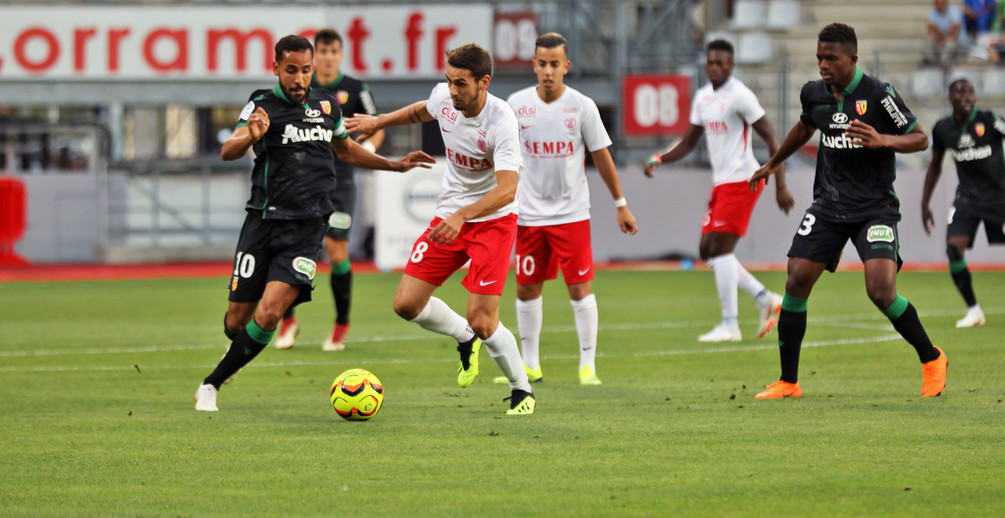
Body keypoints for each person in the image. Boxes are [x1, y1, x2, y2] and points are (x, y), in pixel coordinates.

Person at [194, 35, 434, 411]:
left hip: (307, 228)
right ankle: (235, 349)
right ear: (276, 68)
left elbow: (345, 149)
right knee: (235, 321)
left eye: (305, 71)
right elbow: (229, 149)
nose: (299, 79)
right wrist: (250, 138)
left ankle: (211, 385)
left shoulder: (326, 105)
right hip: (263, 223)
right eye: (291, 70)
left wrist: (393, 164)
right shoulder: (262, 104)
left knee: (271, 312)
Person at [748, 23, 948, 399]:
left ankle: (932, 358)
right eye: (819, 57)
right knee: (796, 279)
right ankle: (789, 382)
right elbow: (805, 127)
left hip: (874, 208)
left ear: (852, 59)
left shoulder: (879, 95)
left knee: (881, 291)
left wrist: (882, 139)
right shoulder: (815, 93)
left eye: (831, 58)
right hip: (828, 204)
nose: (823, 65)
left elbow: (921, 138)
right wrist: (774, 162)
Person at [344, 43, 536, 415]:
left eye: (461, 83)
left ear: (484, 82)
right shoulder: (445, 97)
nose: (452, 90)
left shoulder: (502, 122)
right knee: (406, 304)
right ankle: (463, 337)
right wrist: (378, 121)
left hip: (494, 220)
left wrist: (463, 216)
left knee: (484, 319)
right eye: (448, 81)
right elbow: (421, 111)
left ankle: (521, 389)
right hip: (451, 215)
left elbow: (508, 189)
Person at [499, 32, 638, 386]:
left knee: (580, 289)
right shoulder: (515, 105)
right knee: (526, 290)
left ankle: (587, 366)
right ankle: (530, 365)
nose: (548, 71)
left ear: (566, 66)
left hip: (572, 214)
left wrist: (621, 205)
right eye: (542, 64)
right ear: (534, 65)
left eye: (554, 64)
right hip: (529, 215)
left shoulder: (582, 106)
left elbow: (602, 157)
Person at [644, 39, 793, 343]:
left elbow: (773, 138)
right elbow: (688, 142)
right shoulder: (702, 98)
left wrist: (781, 185)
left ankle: (730, 325)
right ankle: (765, 298)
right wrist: (660, 158)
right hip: (722, 183)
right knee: (706, 251)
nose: (713, 68)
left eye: (720, 63)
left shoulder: (740, 96)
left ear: (731, 65)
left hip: (744, 180)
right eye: (710, 63)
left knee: (720, 251)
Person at [274, 28, 387, 352]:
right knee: (290, 247)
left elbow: (375, 126)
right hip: (301, 182)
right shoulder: (301, 86)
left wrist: (369, 150)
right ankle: (288, 321)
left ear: (340, 54)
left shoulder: (354, 89)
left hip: (340, 182)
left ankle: (340, 325)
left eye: (332, 51)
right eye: (321, 51)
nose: (326, 57)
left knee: (336, 253)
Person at [922, 78, 1005, 327]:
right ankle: (974, 310)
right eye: (960, 93)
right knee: (953, 249)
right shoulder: (942, 129)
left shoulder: (990, 120)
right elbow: (935, 165)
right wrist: (924, 203)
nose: (966, 97)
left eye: (970, 92)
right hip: (967, 198)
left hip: (999, 197)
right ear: (950, 98)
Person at [924, 0, 965, 67]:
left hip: (957, 40)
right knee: (929, 39)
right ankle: (931, 62)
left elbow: (954, 32)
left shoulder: (954, 10)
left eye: (942, 4)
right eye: (937, 4)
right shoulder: (932, 11)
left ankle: (944, 64)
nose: (940, 6)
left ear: (946, 3)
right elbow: (931, 30)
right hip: (942, 38)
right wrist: (940, 39)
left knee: (949, 44)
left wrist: (942, 39)